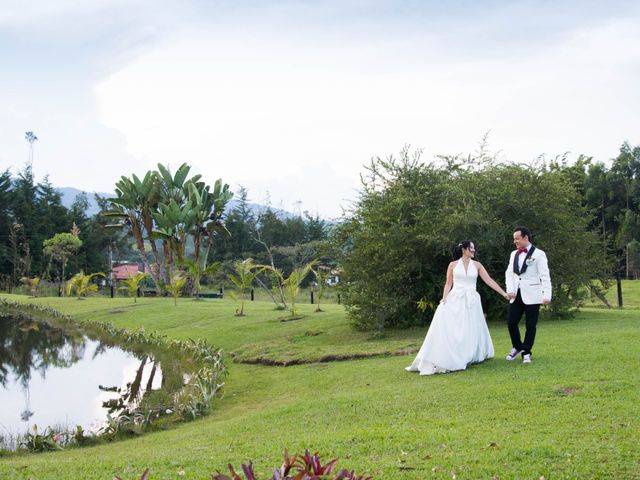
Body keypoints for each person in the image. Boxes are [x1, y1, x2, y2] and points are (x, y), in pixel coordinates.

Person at [406, 240, 509, 375]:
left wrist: (504, 293)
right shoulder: (452, 265)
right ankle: (451, 354)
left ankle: (470, 353)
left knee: (471, 328)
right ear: (463, 249)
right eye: (471, 248)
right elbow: (448, 284)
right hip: (456, 298)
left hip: (472, 301)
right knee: (455, 327)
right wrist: (444, 298)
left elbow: (489, 280)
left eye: (474, 248)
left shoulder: (477, 265)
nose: (473, 250)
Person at [505, 227, 552, 364]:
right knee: (511, 322)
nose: (515, 241)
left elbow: (545, 276)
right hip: (516, 294)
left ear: (526, 238)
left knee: (531, 325)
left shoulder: (539, 254)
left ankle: (527, 352)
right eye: (514, 239)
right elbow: (510, 273)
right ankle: (518, 346)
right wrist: (510, 290)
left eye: (517, 238)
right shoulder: (513, 254)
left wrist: (546, 295)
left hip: (533, 294)